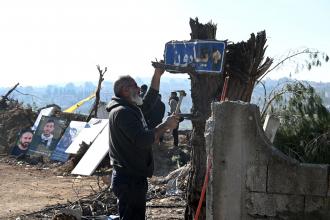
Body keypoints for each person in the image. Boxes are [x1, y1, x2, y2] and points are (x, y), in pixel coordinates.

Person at [106, 66, 179, 220]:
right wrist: (165, 125)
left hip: (131, 177)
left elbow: (149, 101)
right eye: (135, 86)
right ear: (125, 90)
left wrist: (157, 74)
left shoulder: (130, 108)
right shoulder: (123, 112)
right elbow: (142, 139)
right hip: (129, 179)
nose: (139, 89)